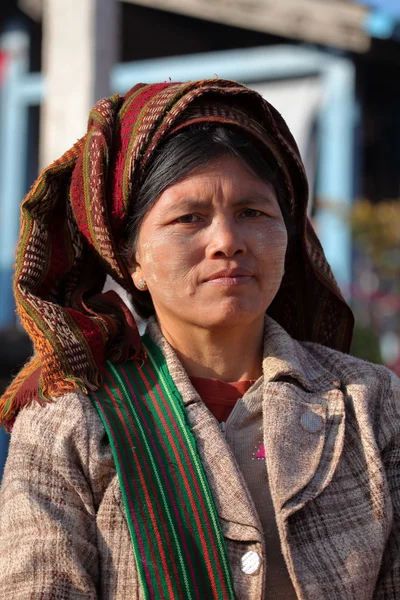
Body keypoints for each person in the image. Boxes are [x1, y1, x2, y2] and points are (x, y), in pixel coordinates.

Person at [0, 79, 398, 600]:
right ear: (132, 258)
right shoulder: (71, 420)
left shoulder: (368, 406)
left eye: (253, 213)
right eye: (189, 218)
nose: (227, 243)